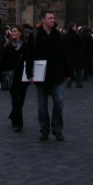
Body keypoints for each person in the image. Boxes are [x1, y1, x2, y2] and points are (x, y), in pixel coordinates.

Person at [27, 10, 69, 142]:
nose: (53, 20)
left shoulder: (59, 35)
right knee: (42, 105)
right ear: (43, 20)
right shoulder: (36, 36)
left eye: (53, 18)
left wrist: (67, 73)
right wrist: (30, 74)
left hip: (56, 74)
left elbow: (64, 55)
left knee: (59, 102)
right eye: (50, 18)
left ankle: (57, 129)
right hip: (41, 75)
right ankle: (44, 130)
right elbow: (29, 56)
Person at [1, 25, 29, 131]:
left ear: (20, 33)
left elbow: (30, 60)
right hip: (12, 78)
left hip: (24, 77)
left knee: (21, 100)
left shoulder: (26, 46)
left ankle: (13, 116)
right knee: (16, 100)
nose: (12, 33)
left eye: (15, 31)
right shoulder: (8, 46)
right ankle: (19, 123)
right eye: (11, 31)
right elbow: (3, 62)